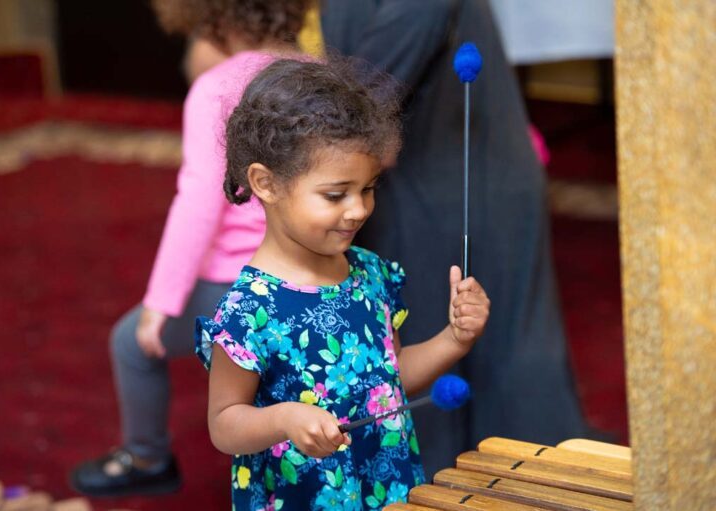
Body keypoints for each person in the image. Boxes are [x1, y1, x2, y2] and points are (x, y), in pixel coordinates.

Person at [196, 58, 490, 510]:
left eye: (368, 188)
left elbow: (387, 381)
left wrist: (454, 339)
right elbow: (224, 423)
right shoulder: (248, 310)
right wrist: (284, 419)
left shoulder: (370, 273)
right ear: (265, 183)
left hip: (384, 488)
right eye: (335, 195)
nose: (358, 209)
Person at [321, 0, 589, 478]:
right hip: (411, 174)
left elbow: (360, 102)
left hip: (461, 180)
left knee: (497, 369)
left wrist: (292, 150)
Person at [69, 0, 311, 497]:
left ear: (212, 18)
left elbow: (201, 200)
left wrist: (161, 304)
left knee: (130, 344)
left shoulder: (217, 87)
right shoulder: (316, 73)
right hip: (311, 270)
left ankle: (146, 457)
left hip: (240, 281)